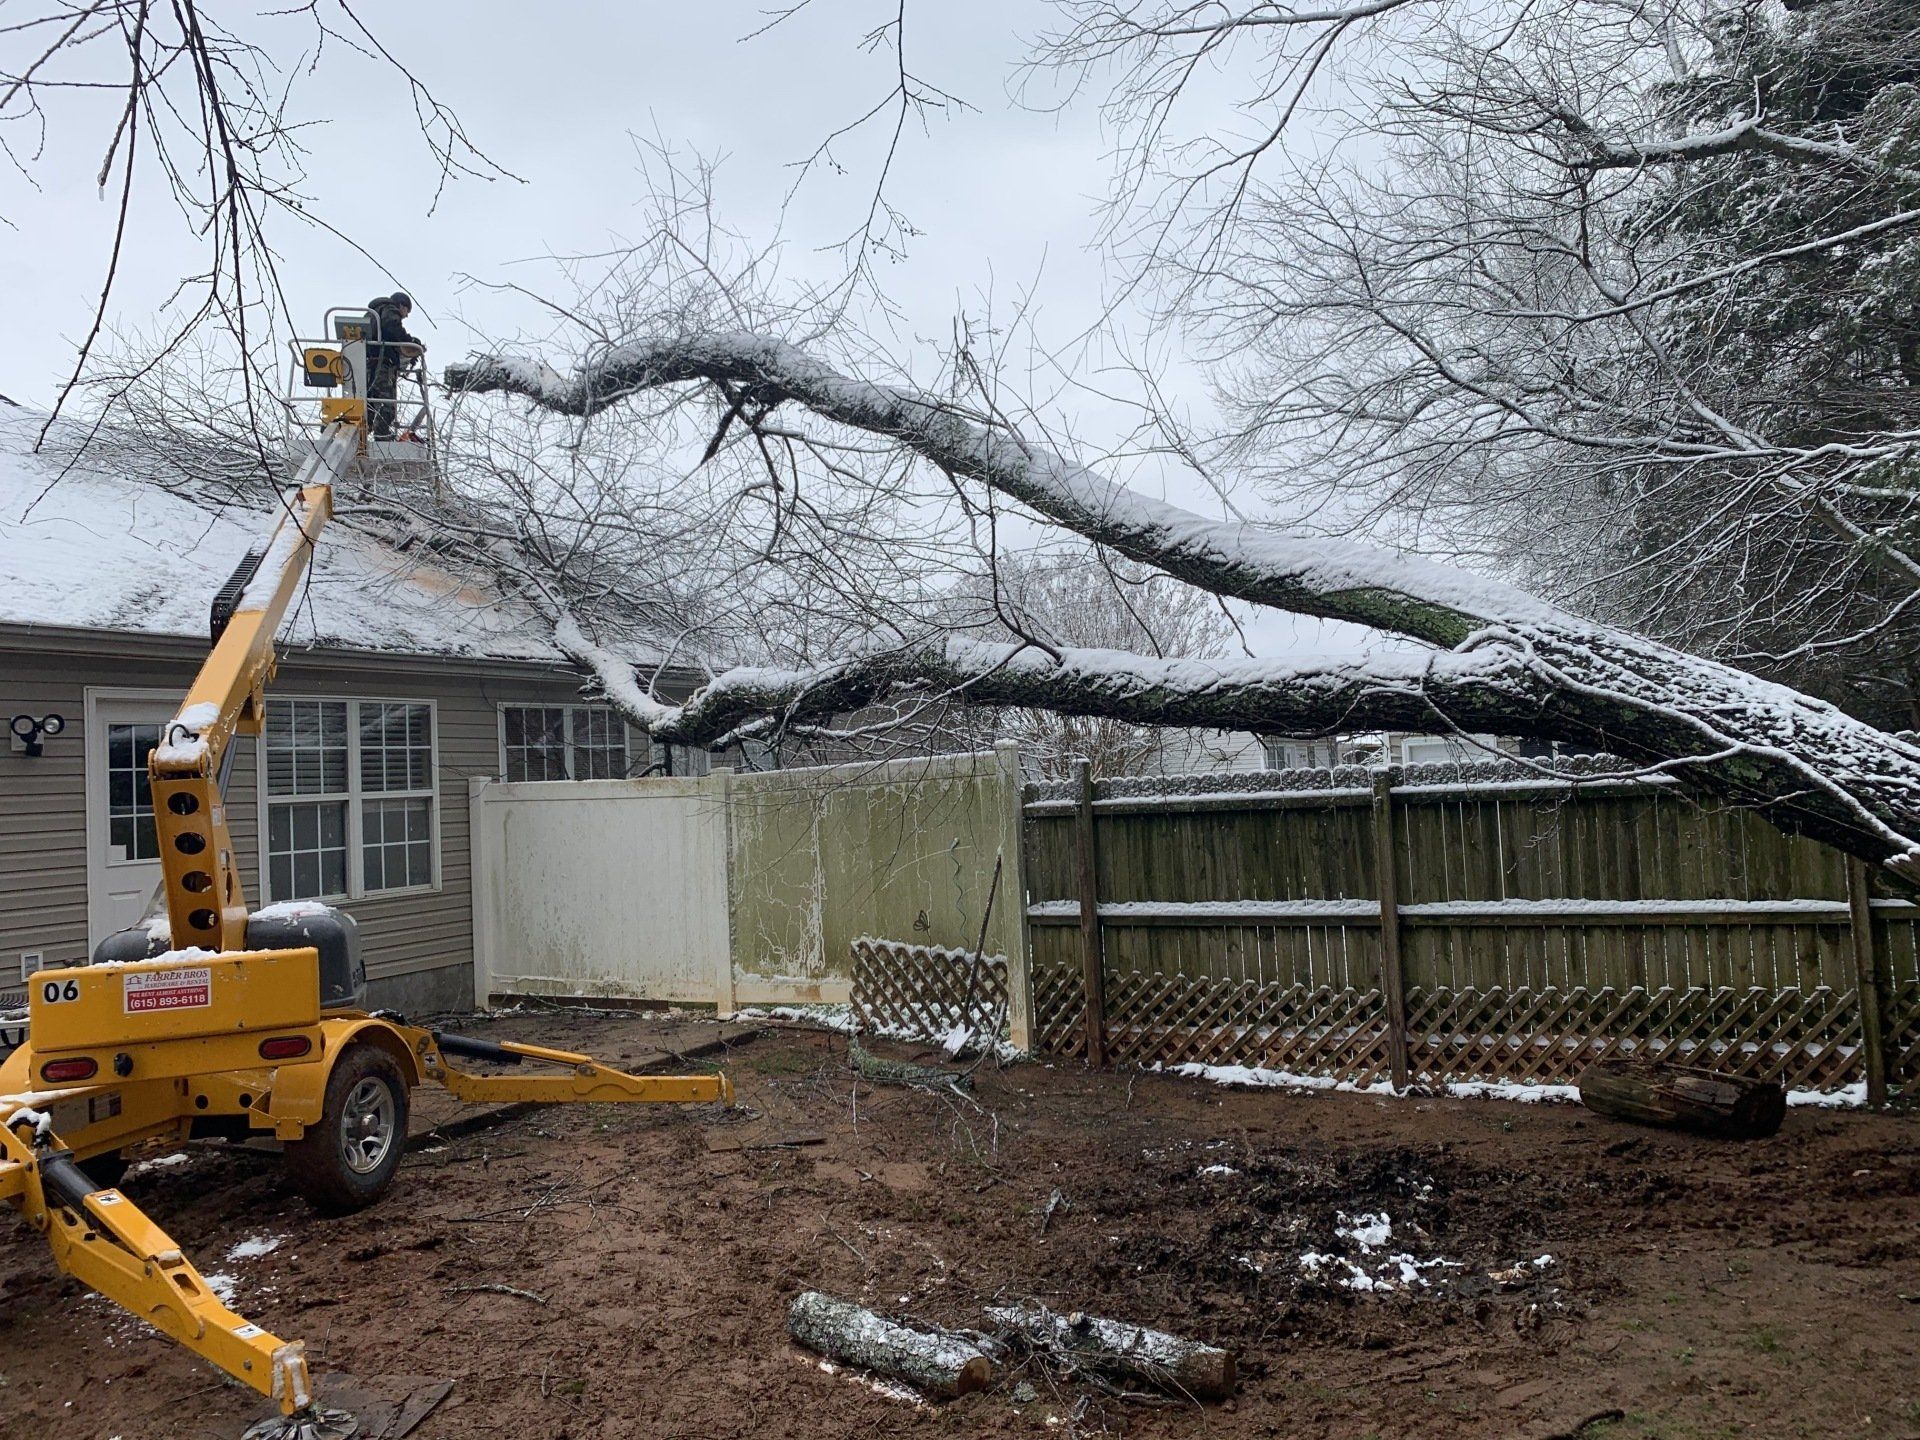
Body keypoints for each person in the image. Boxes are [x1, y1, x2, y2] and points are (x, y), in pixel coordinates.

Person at [363, 291, 424, 439]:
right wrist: (410, 342)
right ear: (401, 305)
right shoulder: (389, 309)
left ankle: (364, 429)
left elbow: (386, 334)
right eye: (406, 310)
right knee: (388, 403)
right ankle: (381, 433)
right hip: (382, 363)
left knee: (369, 400)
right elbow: (393, 328)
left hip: (368, 363)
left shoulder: (373, 313)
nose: (406, 315)